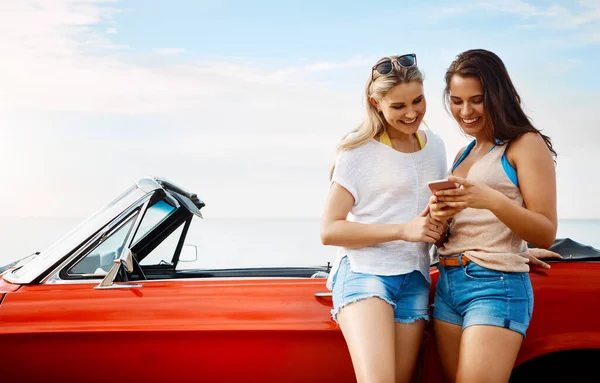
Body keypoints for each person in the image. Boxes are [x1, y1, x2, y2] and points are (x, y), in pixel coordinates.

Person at [429, 49, 560, 383]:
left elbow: (545, 229)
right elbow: (474, 227)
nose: (465, 111)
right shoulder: (465, 152)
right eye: (456, 101)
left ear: (498, 95)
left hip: (494, 286)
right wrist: (440, 220)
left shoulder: (525, 144)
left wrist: (491, 200)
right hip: (449, 282)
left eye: (477, 99)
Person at [320, 53, 451, 383]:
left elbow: (435, 216)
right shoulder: (357, 151)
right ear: (376, 103)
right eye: (398, 107)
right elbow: (330, 229)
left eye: (418, 101)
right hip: (366, 274)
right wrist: (403, 231)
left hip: (415, 279)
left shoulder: (436, 147)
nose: (411, 114)